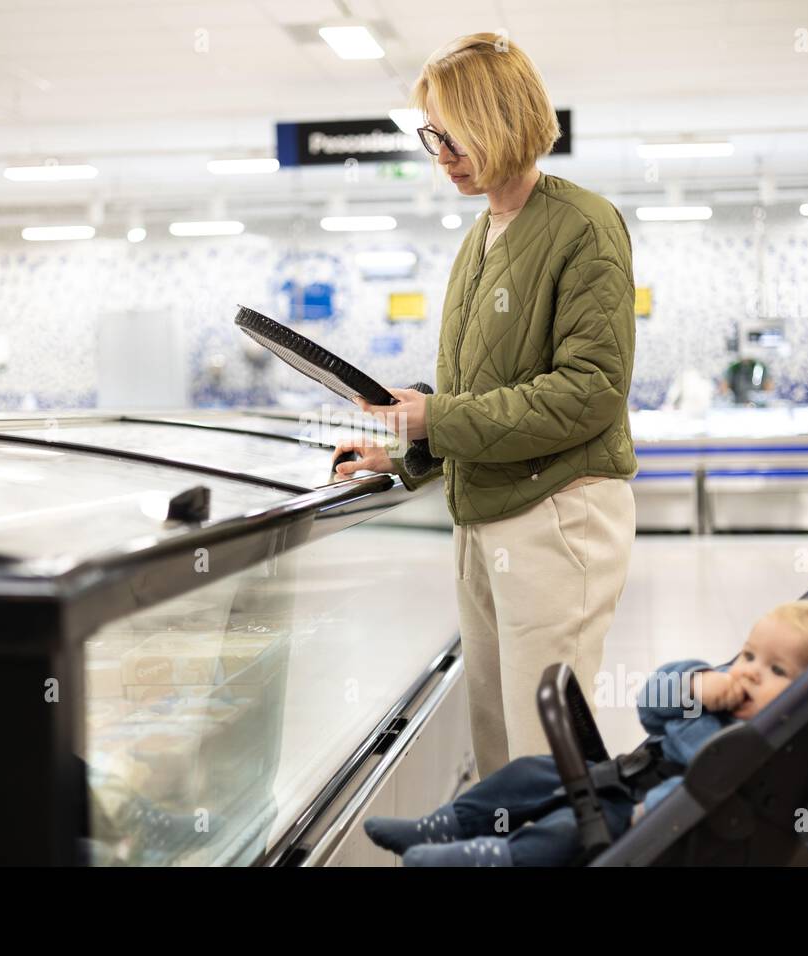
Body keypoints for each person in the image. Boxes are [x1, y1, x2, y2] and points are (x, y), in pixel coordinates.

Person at [331, 34, 638, 778]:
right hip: (484, 515)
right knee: (498, 743)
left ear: (503, 116)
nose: (440, 151)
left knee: (546, 749)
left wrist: (435, 420)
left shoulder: (583, 227)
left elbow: (590, 392)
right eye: (430, 134)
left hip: (555, 515)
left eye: (451, 130)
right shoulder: (479, 238)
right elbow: (478, 396)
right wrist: (406, 450)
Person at [364, 598, 808, 866]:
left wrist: (658, 816)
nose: (748, 673)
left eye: (777, 671)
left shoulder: (760, 749)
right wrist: (696, 684)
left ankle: (493, 861)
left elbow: (708, 793)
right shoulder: (717, 698)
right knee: (532, 773)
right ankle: (447, 824)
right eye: (748, 655)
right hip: (623, 777)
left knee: (568, 829)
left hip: (646, 816)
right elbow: (651, 708)